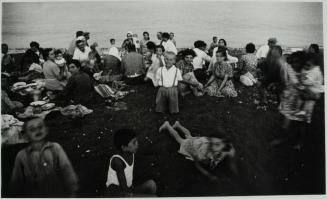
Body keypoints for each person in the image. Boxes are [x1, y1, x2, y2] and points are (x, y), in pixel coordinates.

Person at [9, 117, 79, 197]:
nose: (37, 131)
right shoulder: (21, 156)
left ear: (46, 129)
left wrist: (73, 190)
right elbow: (16, 181)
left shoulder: (55, 148)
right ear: (25, 136)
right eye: (32, 129)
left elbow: (66, 169)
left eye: (40, 127)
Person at [159, 121, 237, 179]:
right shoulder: (204, 153)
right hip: (198, 147)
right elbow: (197, 162)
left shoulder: (223, 145)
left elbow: (215, 144)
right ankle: (167, 125)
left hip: (202, 142)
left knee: (189, 136)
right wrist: (207, 174)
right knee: (180, 140)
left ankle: (178, 125)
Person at [105, 128, 157, 197]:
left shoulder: (131, 153)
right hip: (117, 194)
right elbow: (124, 190)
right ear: (123, 147)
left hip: (128, 189)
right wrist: (135, 195)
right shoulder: (117, 161)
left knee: (151, 185)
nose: (137, 144)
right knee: (155, 197)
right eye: (134, 142)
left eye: (136, 141)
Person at [294, 53, 323, 122]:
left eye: (308, 65)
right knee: (301, 101)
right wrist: (301, 76)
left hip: (314, 91)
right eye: (304, 64)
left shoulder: (316, 71)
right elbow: (303, 76)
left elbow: (308, 82)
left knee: (309, 104)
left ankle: (307, 118)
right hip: (308, 90)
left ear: (315, 65)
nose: (305, 66)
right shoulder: (308, 68)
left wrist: (302, 78)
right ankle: (299, 113)